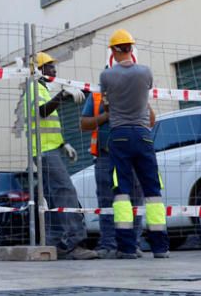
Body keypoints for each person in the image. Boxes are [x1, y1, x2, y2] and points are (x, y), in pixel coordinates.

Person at [99, 29, 169, 259]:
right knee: (152, 191)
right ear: (131, 48)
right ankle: (160, 248)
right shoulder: (145, 72)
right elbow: (145, 100)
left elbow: (107, 106)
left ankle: (127, 248)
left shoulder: (106, 76)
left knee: (122, 192)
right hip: (143, 134)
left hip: (119, 135)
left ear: (113, 50)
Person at [25, 52, 97, 260]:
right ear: (38, 70)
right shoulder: (33, 88)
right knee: (66, 192)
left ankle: (58, 245)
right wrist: (62, 95)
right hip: (44, 152)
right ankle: (74, 243)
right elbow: (42, 112)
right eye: (49, 66)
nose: (54, 70)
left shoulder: (42, 89)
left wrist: (63, 143)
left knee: (55, 197)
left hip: (48, 150)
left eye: (53, 67)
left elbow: (44, 123)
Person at [80, 80, 155, 258]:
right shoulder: (97, 96)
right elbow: (84, 124)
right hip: (106, 156)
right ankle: (109, 245)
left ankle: (132, 244)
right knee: (106, 201)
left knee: (135, 200)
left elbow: (151, 120)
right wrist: (106, 115)